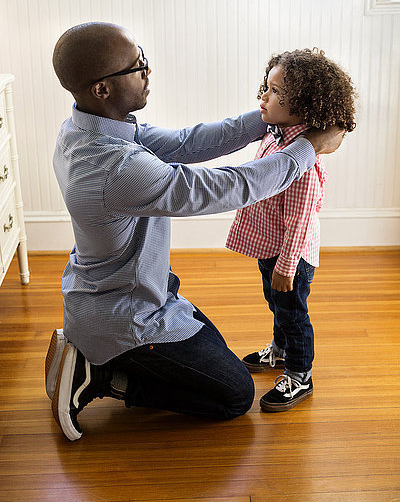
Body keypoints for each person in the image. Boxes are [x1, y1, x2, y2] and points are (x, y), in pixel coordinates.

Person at [46, 23, 345, 441]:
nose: (147, 70)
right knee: (235, 396)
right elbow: (227, 187)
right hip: (126, 316)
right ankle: (101, 375)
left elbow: (188, 142)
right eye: (137, 66)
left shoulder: (86, 128)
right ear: (102, 89)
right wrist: (308, 147)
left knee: (216, 355)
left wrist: (265, 118)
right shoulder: (115, 167)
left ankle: (103, 354)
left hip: (123, 292)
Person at [226, 48, 356, 412]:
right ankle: (281, 351)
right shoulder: (275, 134)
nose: (262, 97)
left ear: (303, 105)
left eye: (275, 92)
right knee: (277, 305)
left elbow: (299, 220)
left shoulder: (300, 161)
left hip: (290, 256)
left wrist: (285, 266)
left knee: (293, 314)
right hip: (271, 246)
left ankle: (300, 375)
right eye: (266, 87)